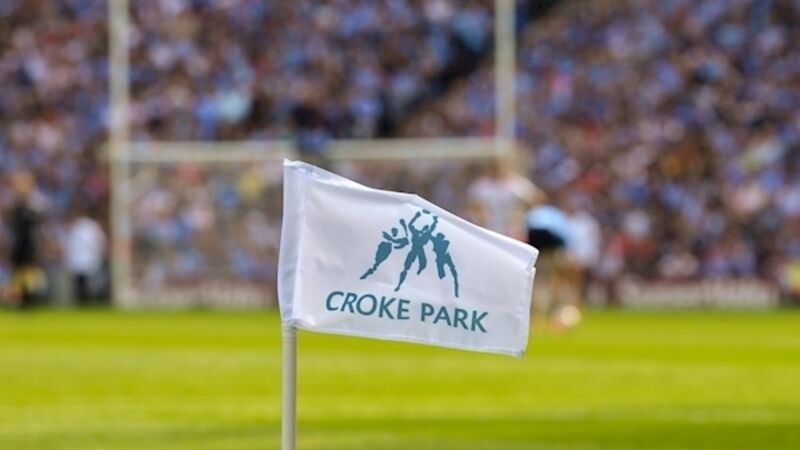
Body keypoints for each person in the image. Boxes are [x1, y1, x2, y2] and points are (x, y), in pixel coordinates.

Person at [468, 157, 544, 240]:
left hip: (513, 231)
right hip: (489, 229)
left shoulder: (517, 183)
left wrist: (522, 213)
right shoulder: (481, 186)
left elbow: (537, 198)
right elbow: (472, 205)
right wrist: (480, 215)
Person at [5, 173, 47, 309]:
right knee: (19, 274)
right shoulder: (18, 208)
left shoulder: (34, 207)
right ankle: (22, 300)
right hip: (19, 245)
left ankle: (29, 300)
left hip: (29, 245)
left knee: (29, 273)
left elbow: (36, 227)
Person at [64, 208, 107, 305]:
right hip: (85, 262)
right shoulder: (90, 227)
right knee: (83, 287)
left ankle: (87, 303)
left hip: (85, 262)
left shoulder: (83, 227)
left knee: (85, 288)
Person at [395, 210, 438, 292]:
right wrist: (416, 217)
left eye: (426, 228)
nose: (425, 229)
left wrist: (435, 221)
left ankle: (416, 278)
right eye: (425, 228)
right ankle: (399, 284)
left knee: (423, 264)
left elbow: (432, 228)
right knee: (406, 267)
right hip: (414, 250)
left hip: (420, 250)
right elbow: (410, 225)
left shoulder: (426, 235)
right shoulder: (415, 233)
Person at [431, 232, 459, 298]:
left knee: (453, 273)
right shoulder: (438, 241)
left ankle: (455, 292)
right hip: (440, 259)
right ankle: (443, 292)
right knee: (441, 275)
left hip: (445, 257)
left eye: (439, 237)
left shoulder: (445, 242)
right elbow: (430, 235)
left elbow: (431, 237)